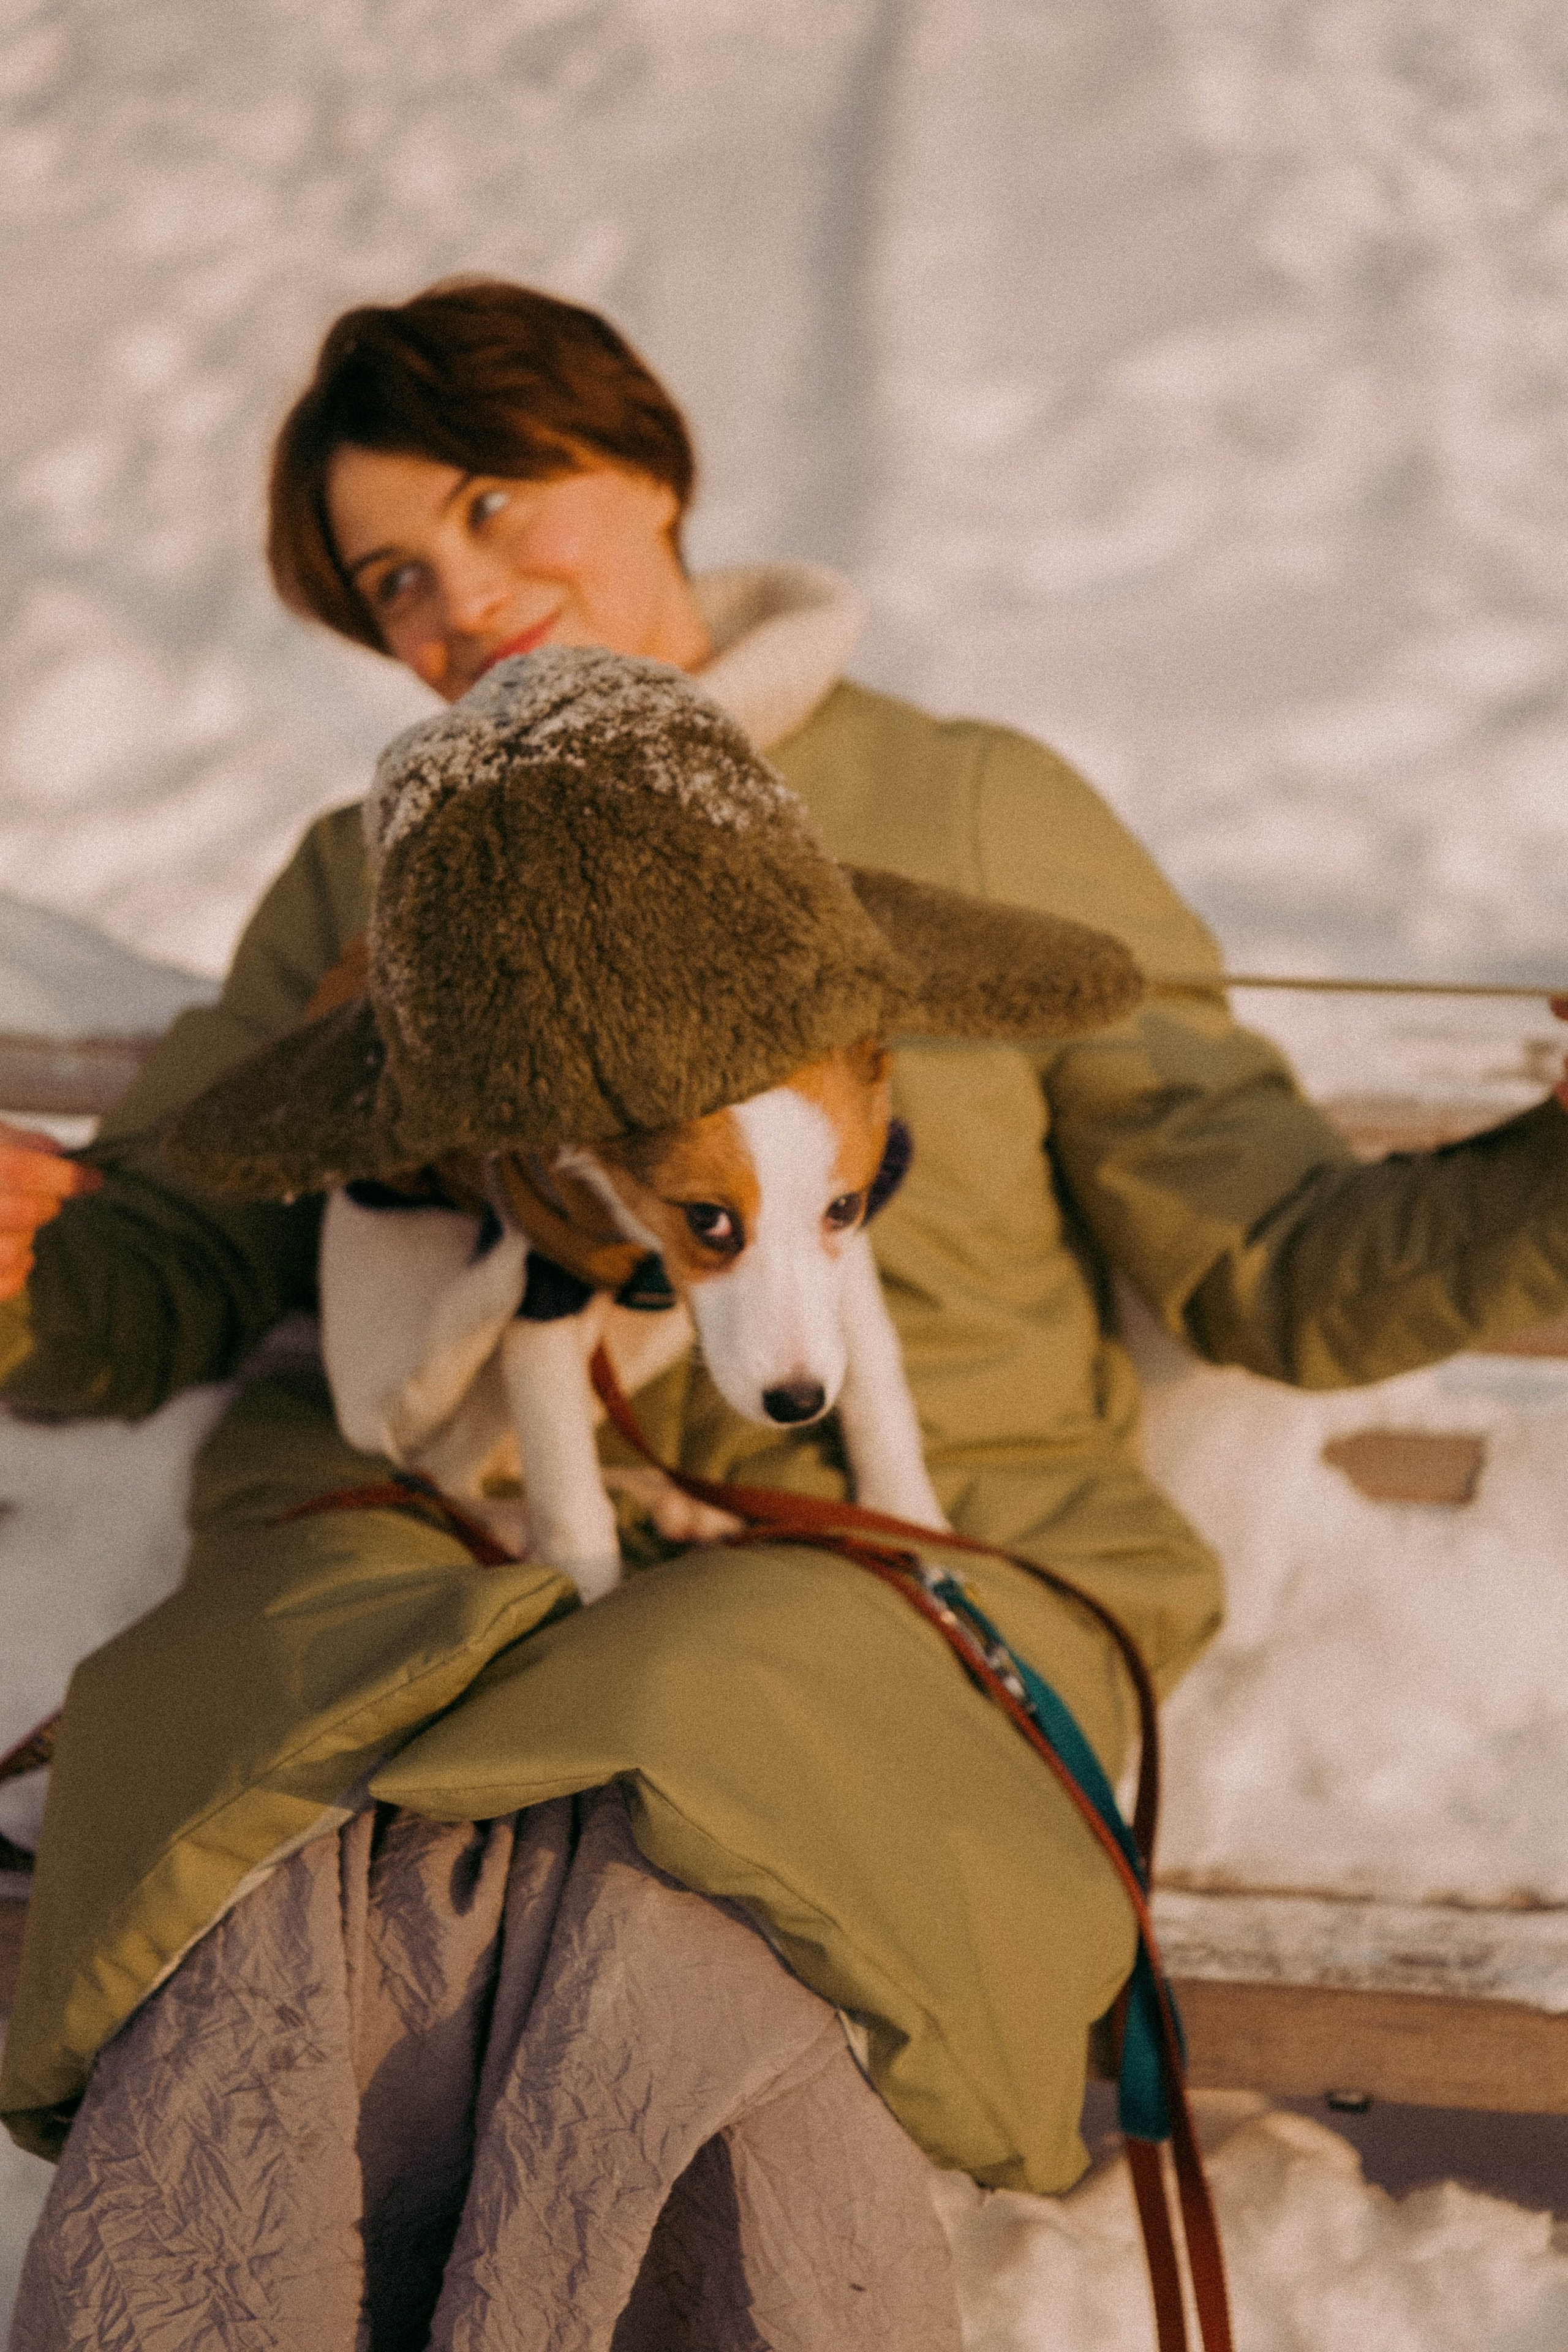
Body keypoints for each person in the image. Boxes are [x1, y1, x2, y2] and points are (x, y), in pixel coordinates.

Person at [4, 279, 1568, 2332]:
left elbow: (1272, 1258)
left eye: (493, 503)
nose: (461, 600)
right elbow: (180, 1257)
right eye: (395, 579)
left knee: (679, 1801)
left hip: (902, 1557)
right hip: (434, 1524)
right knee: (294, 1828)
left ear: (649, 468)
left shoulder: (966, 804)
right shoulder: (376, 867)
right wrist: (30, 1262)